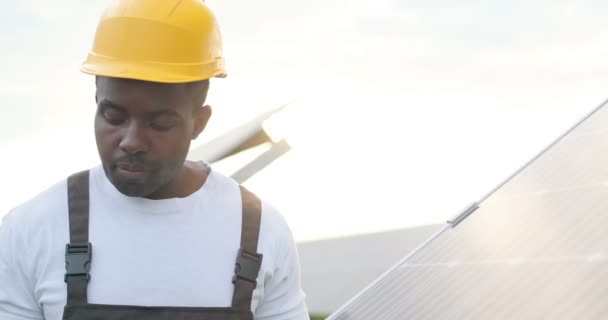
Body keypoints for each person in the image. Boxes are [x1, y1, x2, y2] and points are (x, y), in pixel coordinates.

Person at [0, 1, 309, 319]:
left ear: (199, 122)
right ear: (96, 103)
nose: (131, 141)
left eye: (159, 123)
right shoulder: (32, 229)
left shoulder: (261, 232)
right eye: (113, 116)